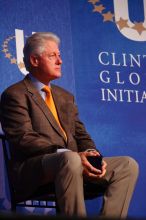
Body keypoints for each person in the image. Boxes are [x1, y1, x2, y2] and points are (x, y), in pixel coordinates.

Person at [0, 32, 139, 218]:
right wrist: (69, 154)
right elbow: (24, 139)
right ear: (34, 60)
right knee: (70, 159)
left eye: (59, 55)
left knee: (127, 165)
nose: (60, 61)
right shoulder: (15, 94)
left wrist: (90, 153)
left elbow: (81, 134)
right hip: (35, 170)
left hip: (73, 163)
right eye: (52, 56)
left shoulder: (65, 96)